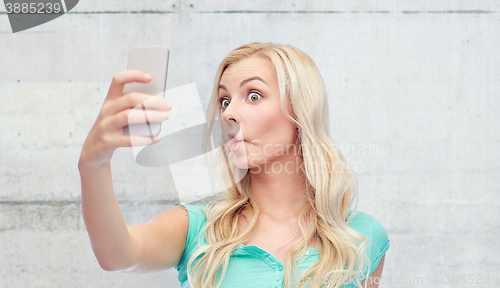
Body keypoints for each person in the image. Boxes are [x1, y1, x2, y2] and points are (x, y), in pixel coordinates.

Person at [78, 42, 390, 288]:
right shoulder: (197, 226)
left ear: (300, 111)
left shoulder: (362, 236)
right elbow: (117, 254)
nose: (228, 114)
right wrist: (93, 164)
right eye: (225, 101)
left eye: (253, 96)